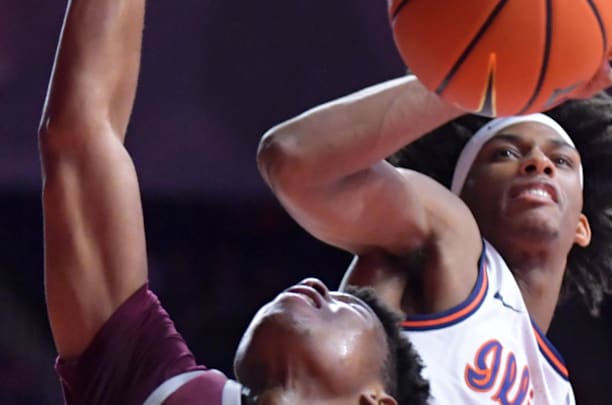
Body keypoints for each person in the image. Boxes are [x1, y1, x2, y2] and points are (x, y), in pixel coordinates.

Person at [38, 1, 429, 404]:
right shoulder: (157, 382)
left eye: (345, 305)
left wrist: (467, 83)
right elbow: (78, 137)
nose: (316, 285)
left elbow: (438, 234)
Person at [257, 37, 612, 403]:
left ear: (581, 225)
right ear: (458, 195)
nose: (539, 163)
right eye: (506, 153)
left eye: (560, 159)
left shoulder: (558, 390)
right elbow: (292, 158)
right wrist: (482, 87)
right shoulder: (450, 237)